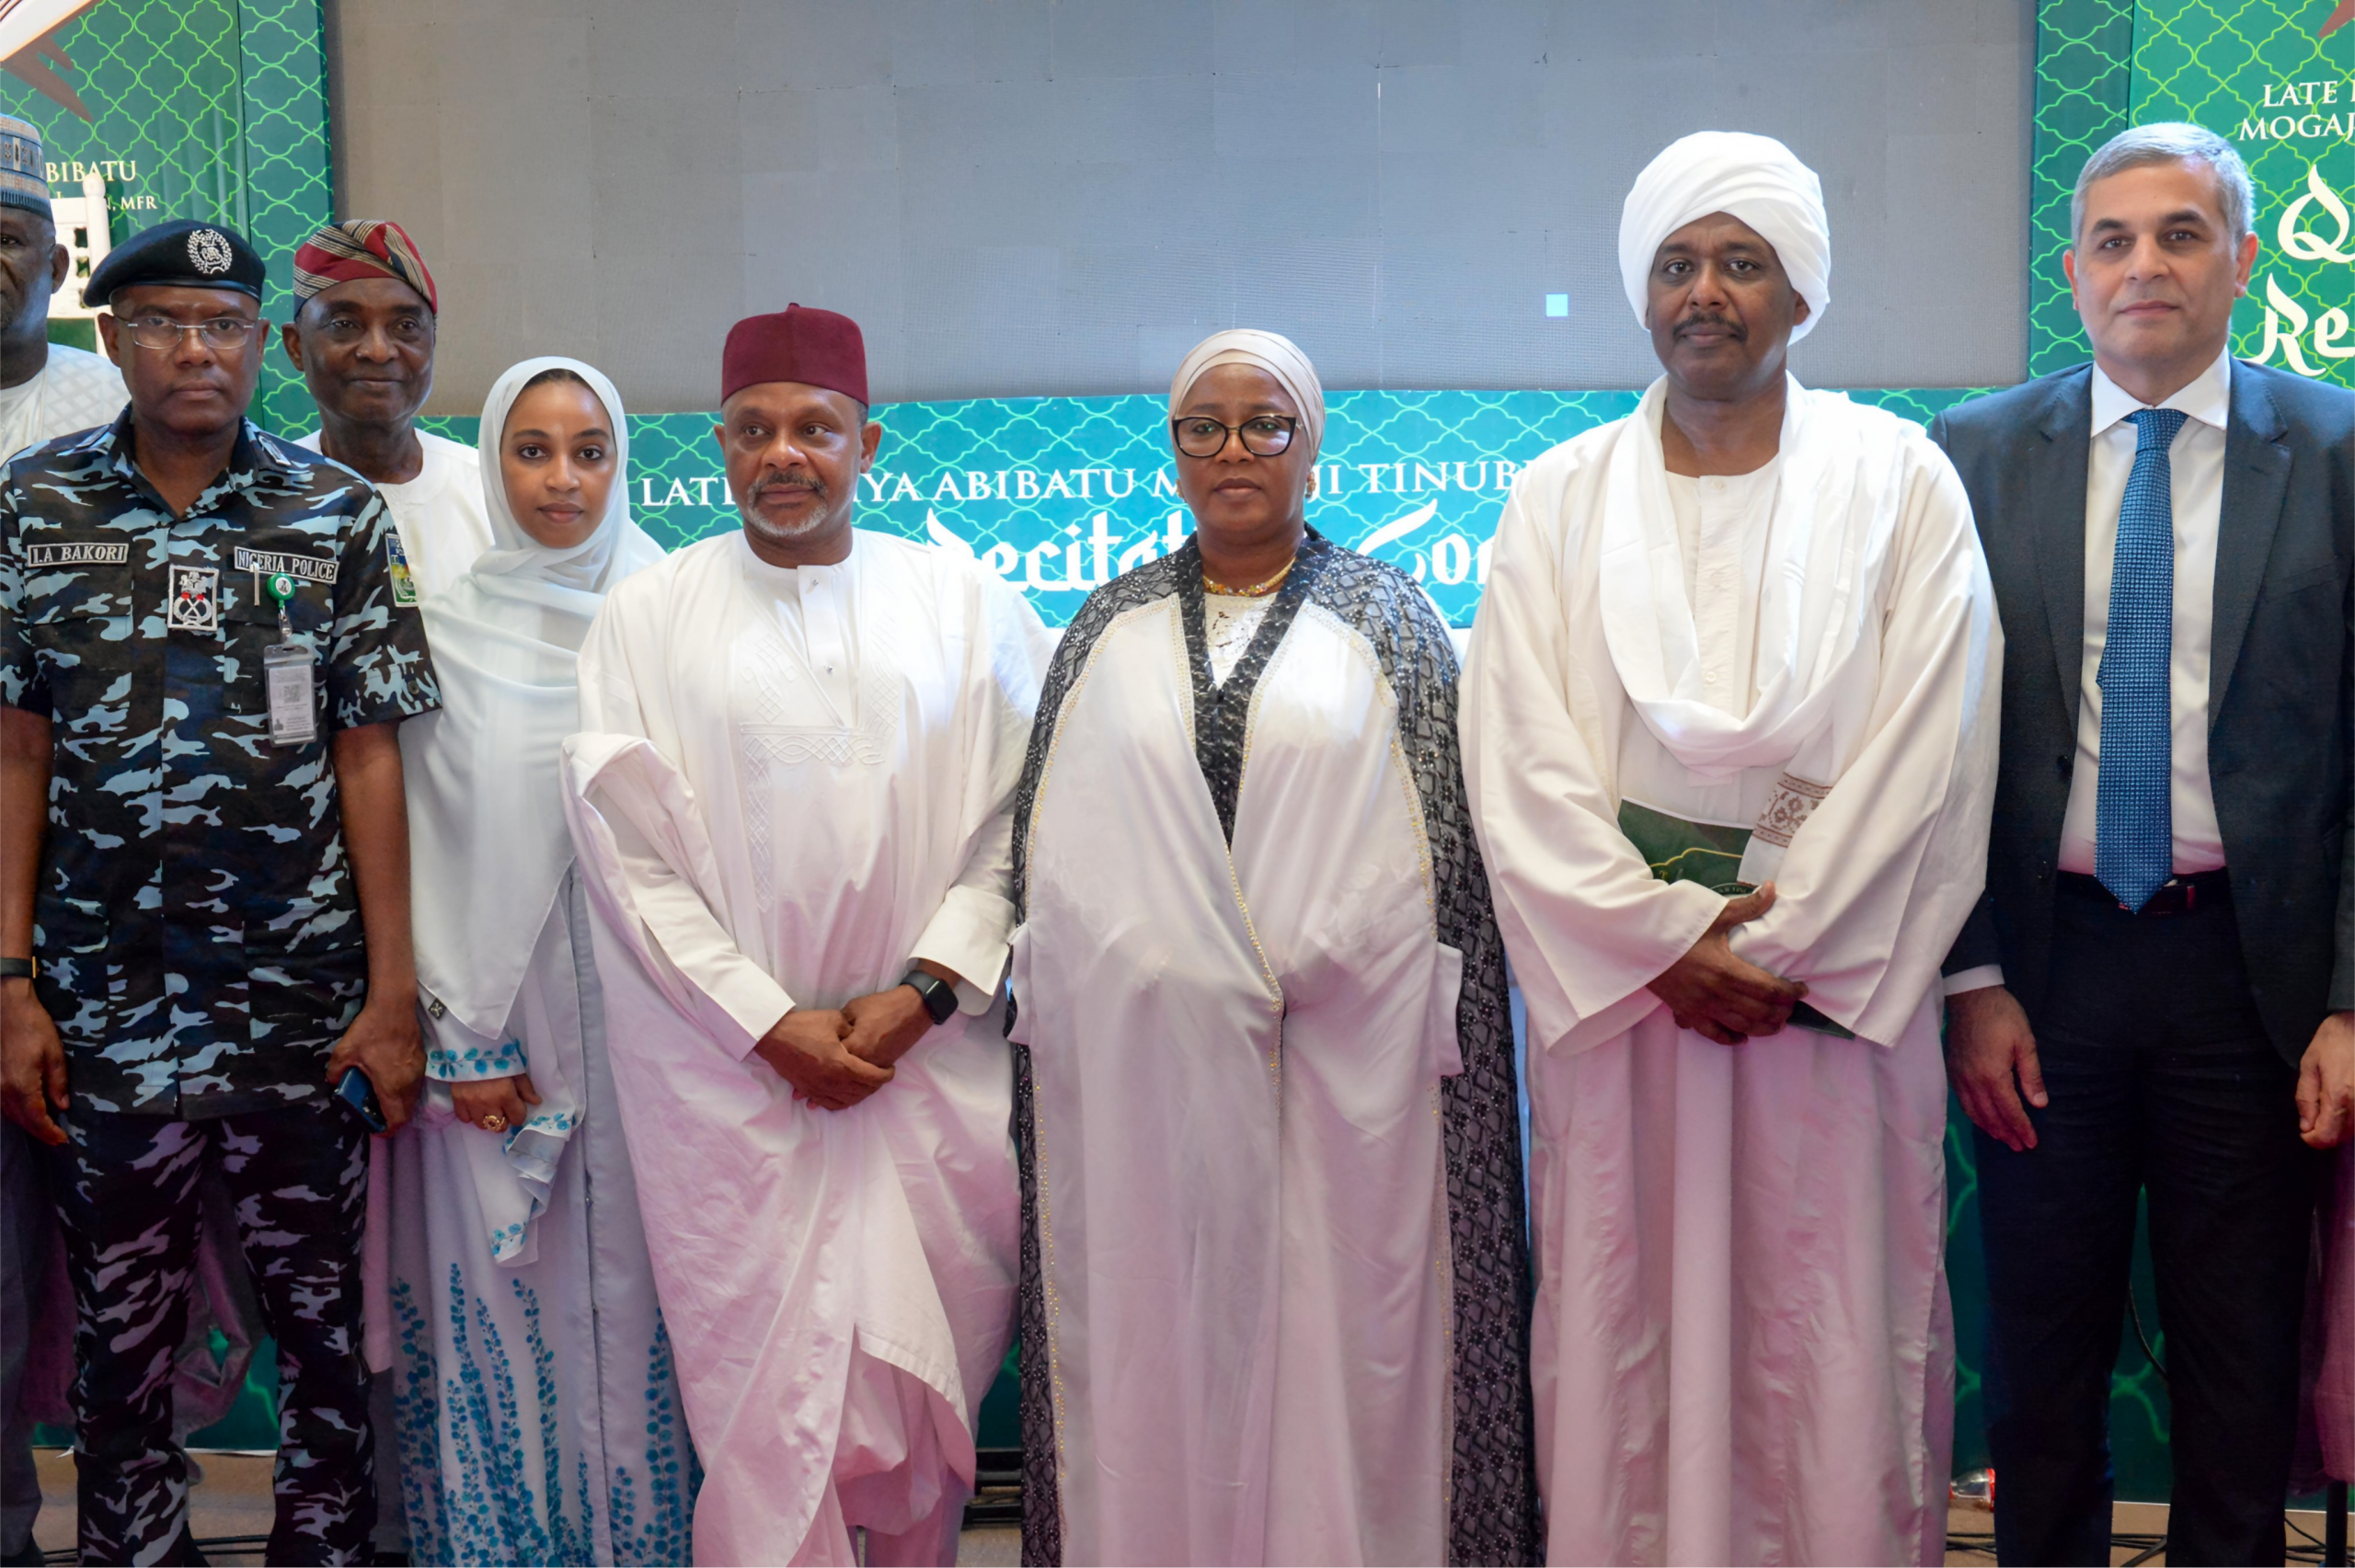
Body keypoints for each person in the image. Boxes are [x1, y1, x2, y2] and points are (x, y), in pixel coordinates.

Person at [1462, 132, 2000, 1567]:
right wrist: (1662, 948)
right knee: (1625, 1321)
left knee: (1825, 1330)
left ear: (1801, 292)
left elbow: (1932, 743)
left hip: (1827, 1008)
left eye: (1743, 262)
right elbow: (1515, 757)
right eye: (1680, 263)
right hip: (1633, 1015)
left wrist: (1780, 948)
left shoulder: (1902, 482)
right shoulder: (1557, 498)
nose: (1708, 293)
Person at [1008, 328, 1540, 1568]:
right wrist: (1165, 977)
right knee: (1154, 1337)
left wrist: (1310, 970)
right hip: (1140, 1086)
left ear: (1314, 444)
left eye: (1267, 423)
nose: (1236, 448)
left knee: (1341, 1346)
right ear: (1174, 454)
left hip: (1347, 1080)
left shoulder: (1391, 619)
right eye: (1206, 426)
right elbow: (1053, 853)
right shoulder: (1103, 628)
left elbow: (1444, 871)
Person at [559, 303, 1048, 1567]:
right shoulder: (646, 615)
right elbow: (628, 855)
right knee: (770, 1414)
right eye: (756, 429)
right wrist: (767, 1025)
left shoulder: (967, 602)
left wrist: (924, 994)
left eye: (815, 428)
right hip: (733, 1091)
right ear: (717, 444)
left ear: (867, 441)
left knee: (925, 1406)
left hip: (923, 1070)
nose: (787, 453)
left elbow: (1024, 813)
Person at [1938, 122, 2355, 1566]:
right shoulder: (1976, 455)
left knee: (2239, 1366)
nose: (2145, 266)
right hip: (2042, 976)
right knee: (2039, 1355)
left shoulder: (2341, 451)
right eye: (2114, 240)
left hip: (2252, 981)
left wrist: (2351, 1000)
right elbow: (1939, 755)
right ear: (2073, 272)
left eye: (2181, 233)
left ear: (2243, 259)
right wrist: (1969, 976)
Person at [0, 218, 440, 1567]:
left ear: (266, 344)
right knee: (118, 1347)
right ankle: (137, 1549)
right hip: (103, 1010)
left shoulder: (336, 514)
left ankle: (325, 1548)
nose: (196, 350)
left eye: (224, 324)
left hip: (298, 1011)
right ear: (112, 339)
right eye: (163, 324)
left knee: (321, 1336)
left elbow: (371, 756)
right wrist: (10, 984)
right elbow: (16, 749)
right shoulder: (30, 508)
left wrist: (391, 992)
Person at [385, 356, 684, 1565]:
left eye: (589, 451)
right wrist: (462, 1039)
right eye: (532, 450)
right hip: (491, 1041)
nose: (562, 479)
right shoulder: (441, 631)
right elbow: (410, 844)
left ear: (621, 462)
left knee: (653, 1294)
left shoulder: (671, 612)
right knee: (507, 1309)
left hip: (653, 1030)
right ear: (495, 465)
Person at [0, 109, 123, 1568]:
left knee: (118, 1253)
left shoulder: (122, 405)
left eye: (12, 234)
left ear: (54, 252)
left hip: (107, 896)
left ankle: (127, 1521)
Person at [282, 219, 492, 605]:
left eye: (405, 326)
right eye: (345, 324)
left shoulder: (493, 495)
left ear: (432, 342)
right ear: (296, 347)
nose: (378, 351)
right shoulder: (263, 497)